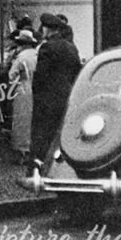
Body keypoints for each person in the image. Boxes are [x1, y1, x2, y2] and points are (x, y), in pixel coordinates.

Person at [29, 13, 82, 169]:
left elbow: (41, 75)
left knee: (42, 133)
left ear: (48, 29)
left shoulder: (47, 47)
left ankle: (39, 166)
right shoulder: (71, 47)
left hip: (47, 97)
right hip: (66, 95)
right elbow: (76, 71)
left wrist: (37, 95)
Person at [7, 29, 39, 164]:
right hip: (37, 88)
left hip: (23, 89)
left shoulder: (21, 57)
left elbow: (11, 75)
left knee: (21, 120)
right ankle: (32, 151)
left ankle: (21, 152)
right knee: (33, 120)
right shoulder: (38, 54)